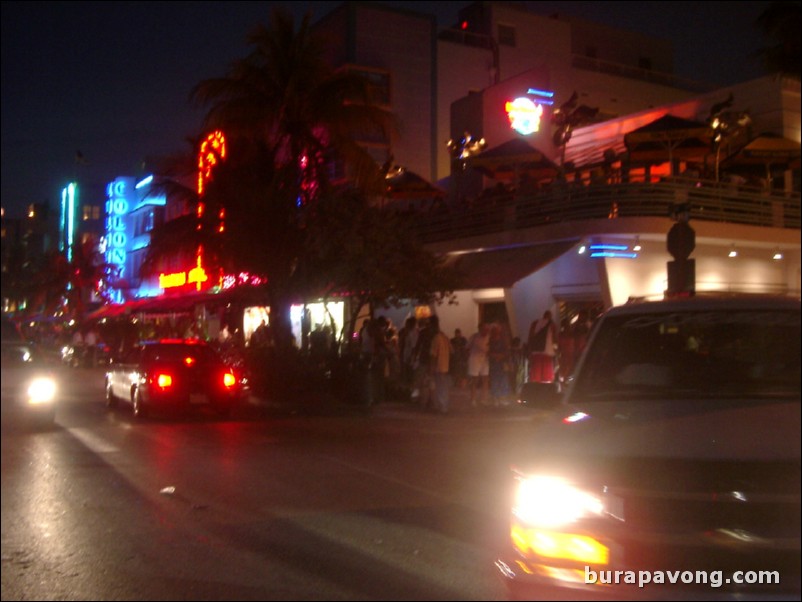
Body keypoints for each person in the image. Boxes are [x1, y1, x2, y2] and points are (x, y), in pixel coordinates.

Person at [428, 315, 452, 414]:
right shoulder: (445, 337)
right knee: (444, 387)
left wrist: (431, 368)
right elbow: (451, 350)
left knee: (440, 388)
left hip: (439, 366)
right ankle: (444, 406)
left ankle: (442, 407)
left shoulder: (436, 338)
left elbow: (433, 355)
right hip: (445, 365)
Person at [527, 310, 558, 383]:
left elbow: (530, 337)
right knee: (546, 374)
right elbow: (555, 339)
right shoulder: (552, 324)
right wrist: (556, 349)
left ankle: (536, 389)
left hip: (536, 351)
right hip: (547, 351)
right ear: (550, 316)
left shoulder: (534, 323)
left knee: (536, 373)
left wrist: (529, 349)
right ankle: (545, 390)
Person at [466, 322, 490, 406]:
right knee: (474, 380)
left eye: (487, 329)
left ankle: (484, 399)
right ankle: (473, 398)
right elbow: (467, 347)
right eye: (484, 329)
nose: (486, 331)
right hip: (474, 360)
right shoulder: (474, 337)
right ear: (480, 329)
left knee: (485, 379)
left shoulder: (489, 337)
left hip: (485, 360)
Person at [488, 323, 511, 406]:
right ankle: (495, 398)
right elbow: (488, 352)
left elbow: (507, 351)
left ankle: (502, 398)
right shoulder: (490, 340)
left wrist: (501, 356)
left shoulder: (503, 340)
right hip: (494, 363)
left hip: (502, 363)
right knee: (494, 380)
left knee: (503, 380)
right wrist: (494, 356)